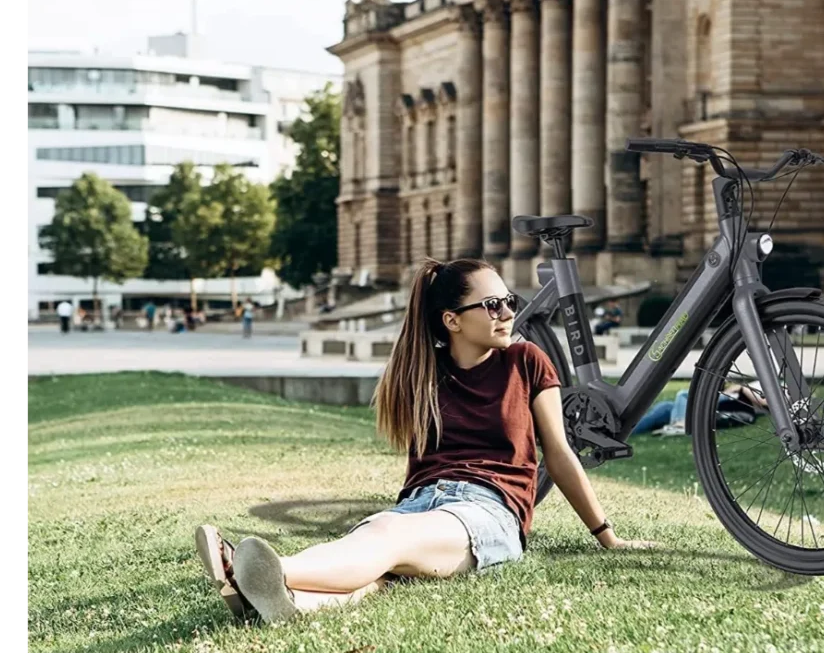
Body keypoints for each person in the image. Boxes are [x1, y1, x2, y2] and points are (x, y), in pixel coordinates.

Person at [194, 258, 658, 624]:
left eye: (508, 300)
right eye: (492, 305)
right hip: (419, 502)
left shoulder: (527, 361)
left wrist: (607, 537)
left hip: (489, 511)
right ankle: (289, 601)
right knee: (381, 558)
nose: (509, 313)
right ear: (452, 321)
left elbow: (558, 454)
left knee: (387, 539)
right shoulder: (422, 371)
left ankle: (259, 571)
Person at [630, 382, 768, 436]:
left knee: (683, 395)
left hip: (724, 404)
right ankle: (626, 432)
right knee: (664, 407)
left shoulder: (747, 397)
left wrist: (743, 387)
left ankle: (680, 424)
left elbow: (765, 401)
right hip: (714, 402)